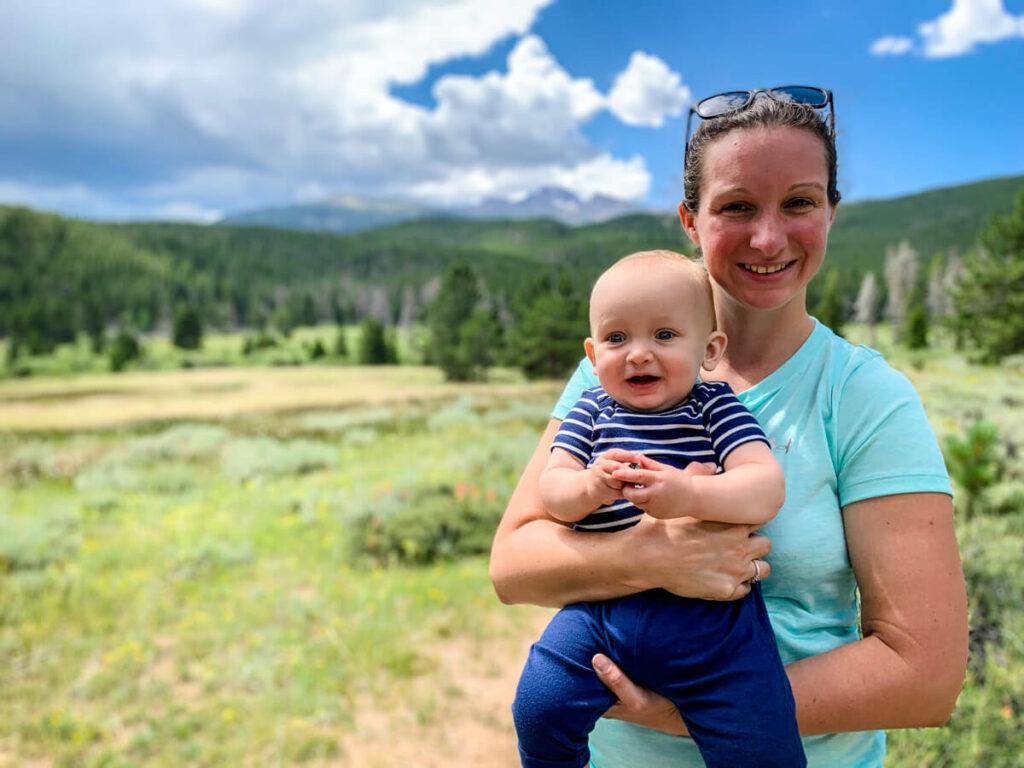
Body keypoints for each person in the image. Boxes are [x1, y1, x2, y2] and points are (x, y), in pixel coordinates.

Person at [490, 86, 968, 767]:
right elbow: (513, 566)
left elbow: (926, 676)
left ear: (832, 211)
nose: (768, 237)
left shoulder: (864, 396)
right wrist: (646, 557)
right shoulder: (619, 371)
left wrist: (698, 712)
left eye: (799, 202)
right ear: (691, 219)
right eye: (736, 206)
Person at [513, 250, 805, 768]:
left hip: (715, 623)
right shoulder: (590, 410)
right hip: (602, 610)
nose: (639, 354)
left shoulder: (715, 407)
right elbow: (553, 493)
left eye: (665, 336)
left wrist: (688, 496)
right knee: (539, 705)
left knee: (763, 745)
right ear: (592, 351)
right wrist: (590, 486)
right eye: (616, 338)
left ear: (709, 349)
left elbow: (765, 486)